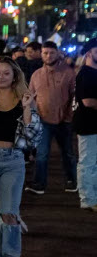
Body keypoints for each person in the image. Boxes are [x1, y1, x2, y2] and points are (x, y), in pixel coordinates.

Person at [0, 57, 34, 257]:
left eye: (6, 73)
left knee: (8, 211)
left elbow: (31, 135)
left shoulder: (21, 97)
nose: (1, 77)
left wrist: (26, 108)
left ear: (14, 75)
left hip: (13, 159)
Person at [25, 41, 76, 195]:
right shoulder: (36, 75)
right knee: (42, 154)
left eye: (51, 53)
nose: (48, 56)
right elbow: (31, 96)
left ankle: (72, 181)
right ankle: (39, 184)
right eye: (45, 53)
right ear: (41, 54)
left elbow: (74, 96)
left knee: (68, 153)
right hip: (43, 120)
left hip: (64, 120)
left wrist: (69, 116)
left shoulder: (68, 73)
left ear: (58, 53)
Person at [75, 39, 97, 211]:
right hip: (88, 124)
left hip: (92, 124)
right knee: (87, 162)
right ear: (89, 52)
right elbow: (88, 102)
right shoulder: (86, 74)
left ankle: (93, 196)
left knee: (93, 163)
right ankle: (87, 199)